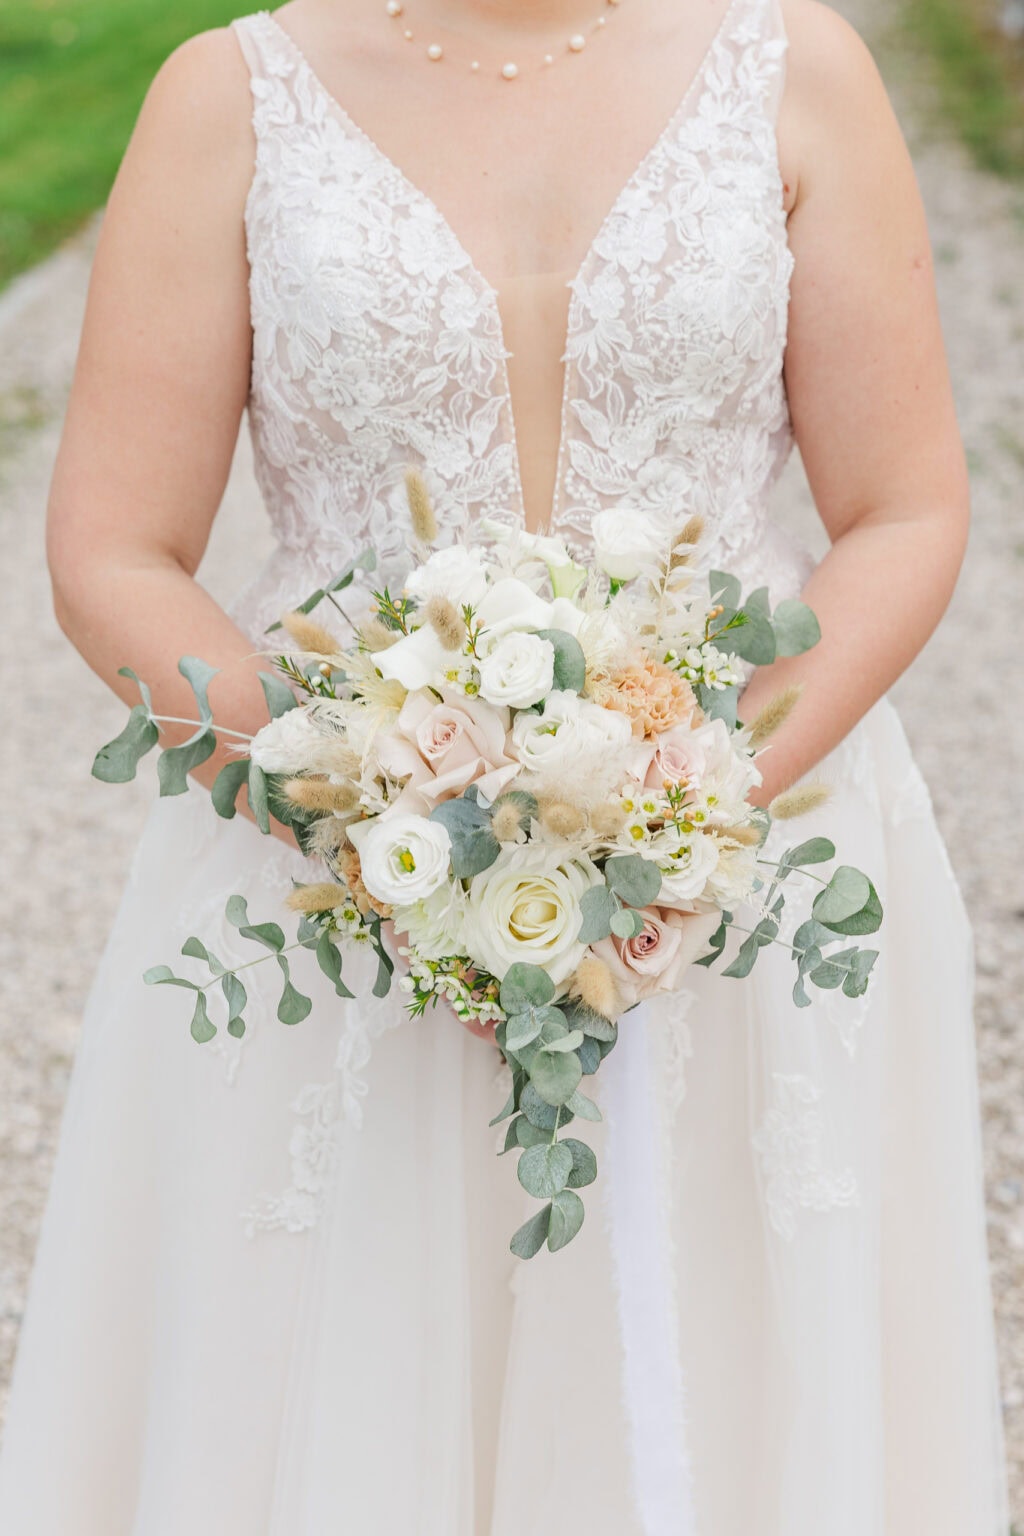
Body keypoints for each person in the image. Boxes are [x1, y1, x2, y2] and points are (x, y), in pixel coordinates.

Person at [0, 0, 1009, 1529]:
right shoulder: (230, 97)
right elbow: (114, 549)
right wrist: (364, 805)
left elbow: (906, 509)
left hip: (745, 869)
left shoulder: (796, 70)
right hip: (337, 883)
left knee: (727, 1371)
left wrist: (682, 812)